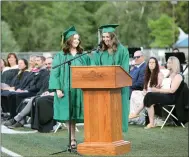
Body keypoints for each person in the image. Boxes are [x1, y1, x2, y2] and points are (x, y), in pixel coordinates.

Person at [49, 26, 91, 148]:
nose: (77, 41)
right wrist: (57, 89)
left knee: (80, 113)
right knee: (68, 115)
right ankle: (72, 139)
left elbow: (90, 72)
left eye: (78, 39)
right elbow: (55, 73)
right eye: (74, 39)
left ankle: (88, 138)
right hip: (65, 90)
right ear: (68, 40)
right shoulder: (60, 56)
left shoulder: (84, 56)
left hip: (80, 90)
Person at [90, 24, 130, 132]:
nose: (105, 39)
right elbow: (94, 67)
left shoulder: (122, 50)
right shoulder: (99, 51)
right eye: (103, 37)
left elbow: (125, 69)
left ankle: (117, 134)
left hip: (118, 88)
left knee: (117, 112)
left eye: (107, 37)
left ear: (113, 37)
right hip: (102, 87)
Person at [144, 56, 184, 129]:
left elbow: (172, 90)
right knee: (149, 95)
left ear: (174, 64)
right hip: (166, 95)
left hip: (172, 98)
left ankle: (151, 122)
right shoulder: (168, 74)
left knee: (149, 95)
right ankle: (151, 121)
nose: (167, 64)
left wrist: (157, 90)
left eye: (169, 63)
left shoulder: (178, 76)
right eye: (167, 62)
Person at [129, 57, 164, 122]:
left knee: (146, 97)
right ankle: (134, 115)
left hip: (155, 94)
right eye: (150, 62)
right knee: (134, 93)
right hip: (147, 93)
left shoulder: (159, 74)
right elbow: (145, 87)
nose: (151, 64)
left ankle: (135, 114)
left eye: (153, 62)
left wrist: (147, 91)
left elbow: (156, 87)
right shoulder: (148, 74)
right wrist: (145, 91)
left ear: (156, 64)